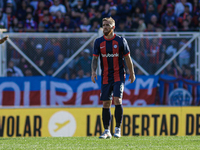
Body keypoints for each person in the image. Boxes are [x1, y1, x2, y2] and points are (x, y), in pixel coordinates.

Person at [91, 17, 135, 139]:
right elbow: (94, 58)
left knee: (117, 100)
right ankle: (106, 131)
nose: (104, 27)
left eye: (107, 25)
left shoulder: (121, 41)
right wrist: (93, 72)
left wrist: (132, 72)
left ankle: (118, 129)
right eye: (103, 25)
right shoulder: (98, 42)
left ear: (113, 27)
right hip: (105, 76)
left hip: (118, 75)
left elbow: (127, 58)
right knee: (106, 103)